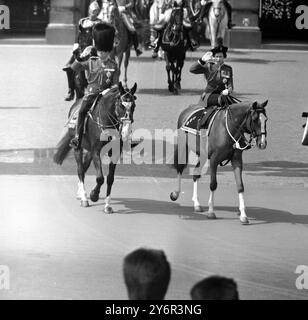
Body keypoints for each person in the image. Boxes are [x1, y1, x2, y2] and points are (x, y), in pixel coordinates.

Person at [69, 22, 119, 150]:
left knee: (119, 112)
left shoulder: (113, 65)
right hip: (91, 94)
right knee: (81, 112)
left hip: (106, 95)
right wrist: (81, 56)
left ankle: (119, 140)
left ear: (109, 50)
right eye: (101, 51)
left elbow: (115, 84)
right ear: (97, 48)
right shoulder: (91, 62)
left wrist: (109, 91)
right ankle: (77, 138)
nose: (103, 54)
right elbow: (73, 68)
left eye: (106, 51)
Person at [63, 1, 102, 101]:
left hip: (93, 50)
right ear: (89, 11)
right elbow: (79, 35)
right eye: (93, 11)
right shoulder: (82, 21)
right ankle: (70, 90)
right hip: (81, 49)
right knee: (69, 67)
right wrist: (75, 46)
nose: (95, 13)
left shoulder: (100, 23)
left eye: (96, 11)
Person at [189, 41, 233, 110]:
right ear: (213, 57)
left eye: (220, 56)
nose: (218, 59)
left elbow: (230, 83)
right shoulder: (208, 66)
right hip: (209, 94)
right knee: (221, 99)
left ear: (224, 57)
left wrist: (228, 90)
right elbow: (192, 69)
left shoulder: (228, 68)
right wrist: (201, 60)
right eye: (217, 56)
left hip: (223, 94)